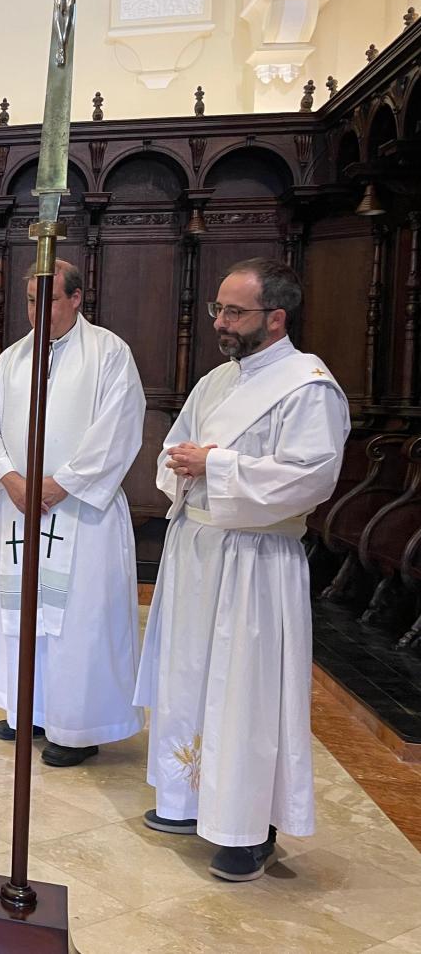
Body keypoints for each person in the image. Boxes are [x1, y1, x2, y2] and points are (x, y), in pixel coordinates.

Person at [135, 257, 348, 883]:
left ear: (275, 318)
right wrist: (181, 464)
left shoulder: (309, 388)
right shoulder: (217, 381)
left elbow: (312, 478)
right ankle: (186, 798)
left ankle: (246, 831)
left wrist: (217, 466)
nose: (221, 323)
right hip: (198, 550)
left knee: (245, 694)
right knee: (191, 677)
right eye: (217, 310)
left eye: (234, 312)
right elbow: (177, 448)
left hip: (255, 561)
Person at [0, 259, 146, 767]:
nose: (35, 310)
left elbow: (118, 428)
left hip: (80, 515)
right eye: (29, 299)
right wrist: (11, 480)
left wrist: (60, 484)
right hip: (20, 507)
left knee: (77, 620)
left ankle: (77, 725)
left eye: (45, 298)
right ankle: (28, 709)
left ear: (75, 299)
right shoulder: (13, 359)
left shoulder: (110, 354)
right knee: (18, 612)